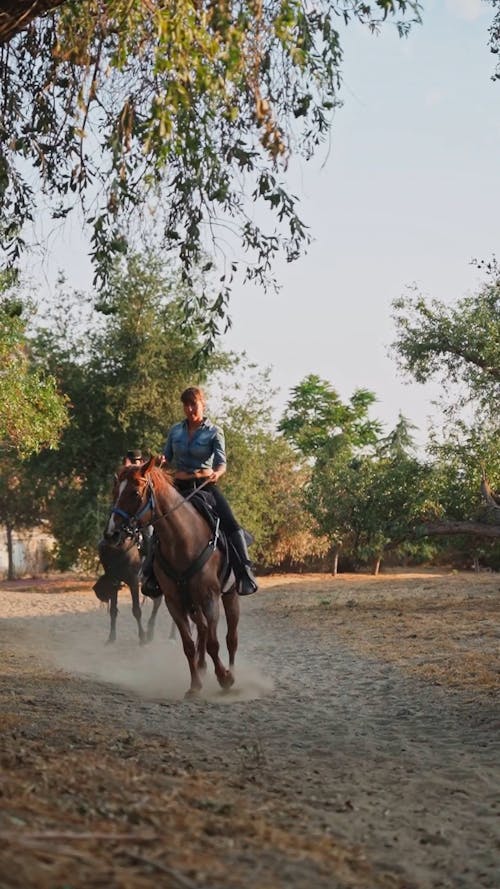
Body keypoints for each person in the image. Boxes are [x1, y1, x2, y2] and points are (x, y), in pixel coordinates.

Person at [142, 386, 258, 597]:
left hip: (205, 486)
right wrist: (161, 459)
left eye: (193, 404)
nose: (189, 409)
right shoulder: (175, 431)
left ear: (202, 404)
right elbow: (167, 456)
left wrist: (218, 473)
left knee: (230, 524)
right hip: (178, 487)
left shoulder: (214, 431)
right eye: (185, 405)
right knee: (158, 526)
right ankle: (150, 575)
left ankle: (245, 573)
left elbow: (222, 462)